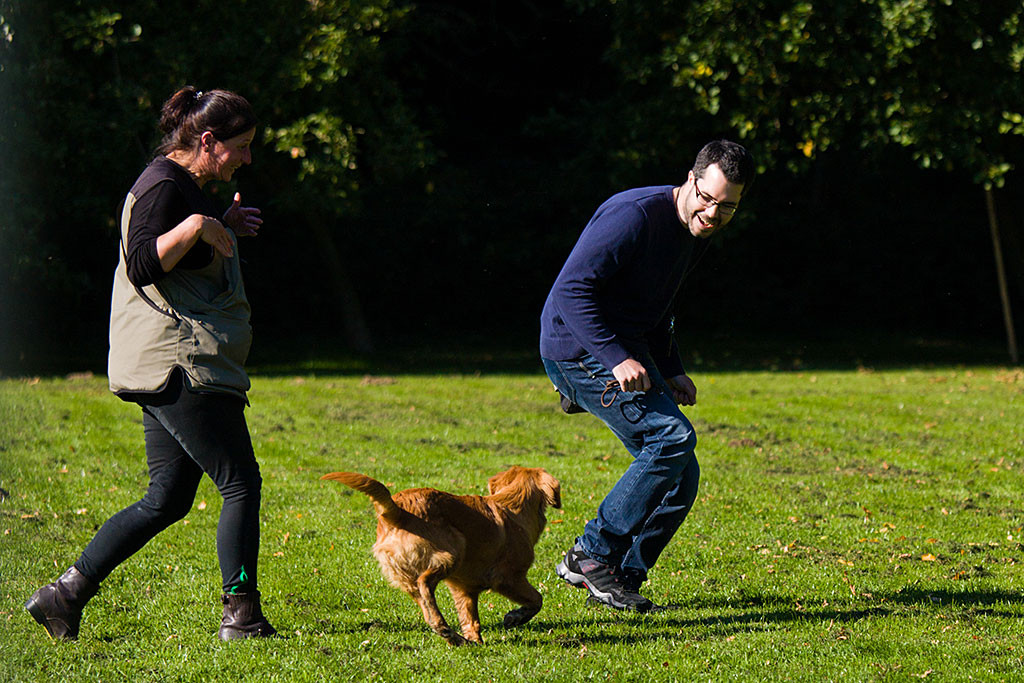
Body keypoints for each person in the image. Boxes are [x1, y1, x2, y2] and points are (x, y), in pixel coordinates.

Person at [25, 86, 276, 641]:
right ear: (207, 141)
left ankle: (64, 595)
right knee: (240, 483)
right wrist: (195, 226)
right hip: (179, 364)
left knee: (167, 498)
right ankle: (242, 613)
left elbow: (182, 263)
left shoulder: (186, 185)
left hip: (161, 362)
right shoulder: (164, 185)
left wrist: (221, 227)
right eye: (242, 145)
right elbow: (142, 263)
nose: (248, 157)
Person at [540, 140, 755, 612]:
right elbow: (570, 291)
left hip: (624, 348)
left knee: (682, 473)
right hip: (575, 349)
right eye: (708, 198)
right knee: (672, 439)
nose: (714, 213)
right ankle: (591, 555)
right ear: (691, 179)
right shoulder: (634, 216)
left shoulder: (694, 232)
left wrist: (672, 368)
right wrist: (617, 357)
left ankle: (622, 575)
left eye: (728, 207)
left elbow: (656, 307)